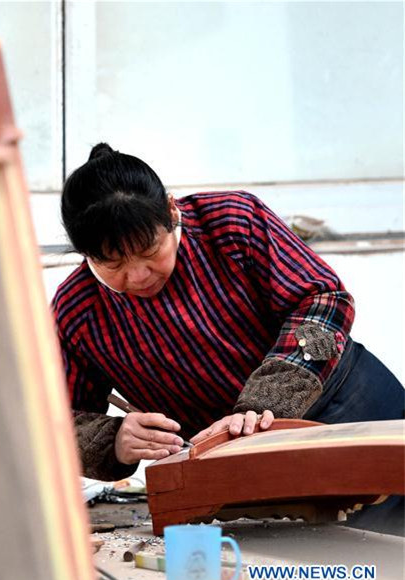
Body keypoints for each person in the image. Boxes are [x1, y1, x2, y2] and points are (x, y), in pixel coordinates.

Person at [53, 142, 404, 535]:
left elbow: (323, 299)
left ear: (171, 212)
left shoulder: (231, 222)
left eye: (150, 251)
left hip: (347, 410)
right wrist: (113, 439)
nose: (138, 276)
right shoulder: (76, 311)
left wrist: (264, 404)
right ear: (85, 255)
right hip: (232, 464)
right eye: (112, 264)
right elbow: (56, 422)